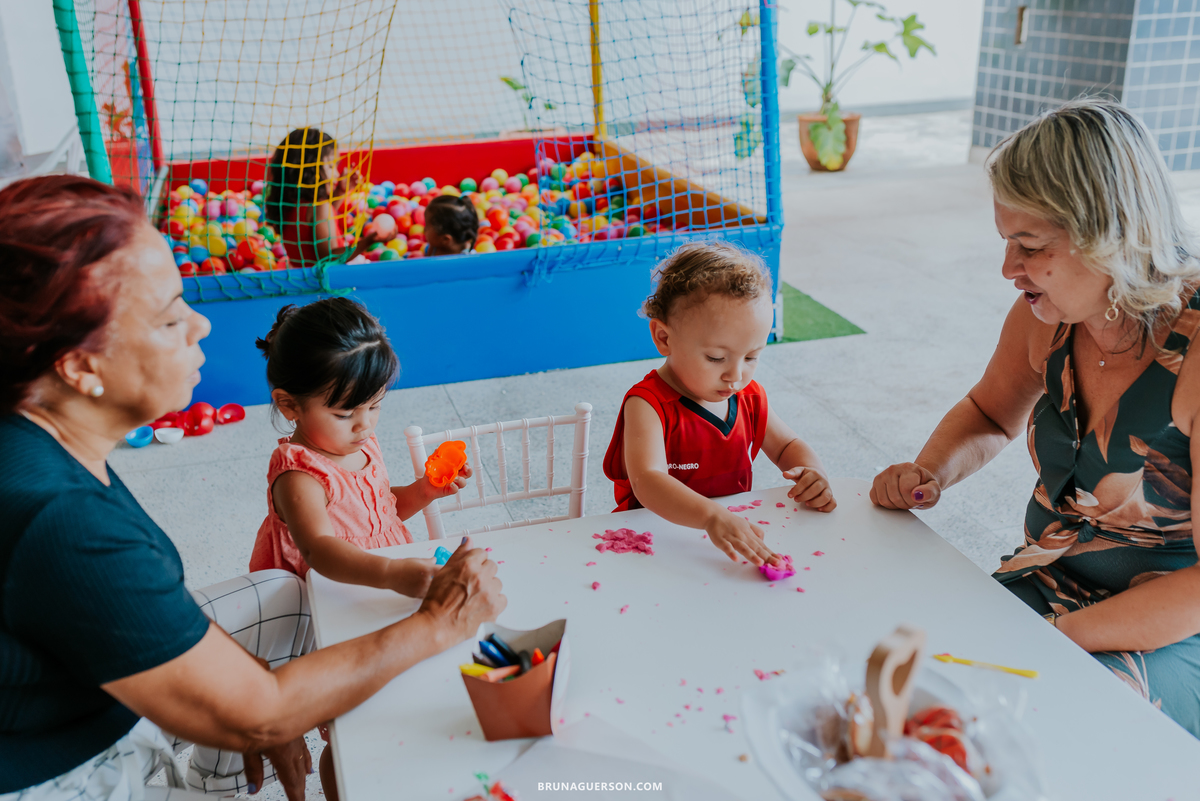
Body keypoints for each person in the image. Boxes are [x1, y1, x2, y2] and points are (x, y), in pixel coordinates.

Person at [0, 175, 506, 801]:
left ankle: (222, 772)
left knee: (287, 600)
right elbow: (260, 711)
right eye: (166, 319)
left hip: (81, 685)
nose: (201, 328)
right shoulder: (61, 519)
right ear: (79, 365)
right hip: (66, 768)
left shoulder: (37, 443)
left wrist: (268, 690)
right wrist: (438, 622)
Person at [871, 98, 1200, 736]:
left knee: (1042, 725)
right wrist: (929, 471)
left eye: (1030, 245)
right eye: (1006, 242)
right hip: (1049, 583)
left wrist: (1050, 641)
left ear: (1111, 233)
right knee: (908, 678)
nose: (1007, 270)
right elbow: (989, 412)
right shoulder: (1043, 316)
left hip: (1170, 629)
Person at [603, 241, 837, 567]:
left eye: (752, 357)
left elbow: (787, 446)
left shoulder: (749, 397)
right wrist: (711, 516)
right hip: (653, 544)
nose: (736, 375)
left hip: (725, 539)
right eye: (716, 357)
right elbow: (648, 481)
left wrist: (813, 473)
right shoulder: (648, 404)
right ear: (664, 338)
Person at [262, 127, 379, 268]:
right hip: (328, 280)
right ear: (310, 169)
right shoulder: (320, 207)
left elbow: (317, 224)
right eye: (330, 166)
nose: (336, 173)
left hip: (298, 274)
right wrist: (367, 242)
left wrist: (340, 192)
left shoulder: (288, 203)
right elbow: (329, 258)